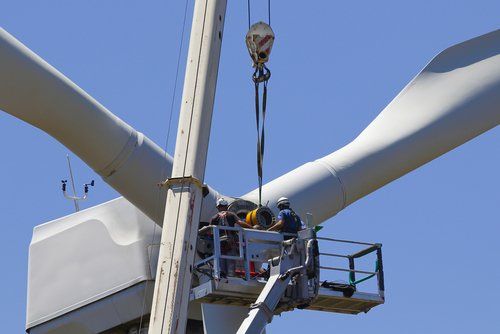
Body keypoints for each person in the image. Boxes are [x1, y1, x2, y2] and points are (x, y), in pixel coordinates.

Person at [209, 198, 252, 277]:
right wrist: (251, 227)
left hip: (219, 244)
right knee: (230, 264)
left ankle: (221, 276)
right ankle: (230, 276)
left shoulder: (214, 218)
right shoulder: (231, 215)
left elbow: (210, 232)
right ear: (226, 206)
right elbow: (240, 223)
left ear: (218, 207)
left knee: (220, 263)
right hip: (230, 243)